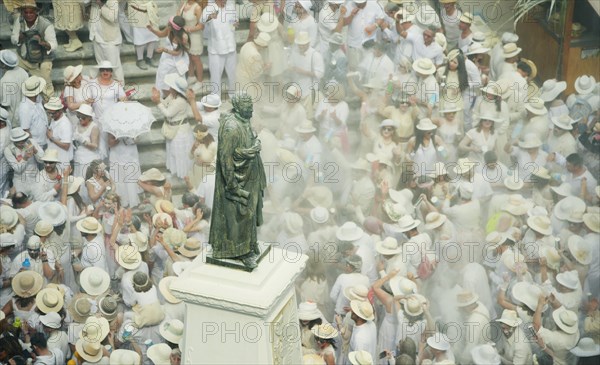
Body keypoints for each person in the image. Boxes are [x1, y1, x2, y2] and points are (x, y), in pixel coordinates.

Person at [209, 93, 266, 269]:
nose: (251, 109)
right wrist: (232, 185)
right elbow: (225, 159)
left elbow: (250, 136)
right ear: (238, 107)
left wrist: (255, 145)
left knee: (249, 212)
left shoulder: (244, 119)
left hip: (250, 174)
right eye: (247, 107)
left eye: (251, 106)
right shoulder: (231, 127)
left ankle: (249, 244)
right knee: (237, 217)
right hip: (236, 181)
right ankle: (239, 252)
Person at [11, 0, 57, 99]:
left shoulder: (46, 24)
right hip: (24, 56)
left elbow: (54, 45)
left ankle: (50, 103)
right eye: (26, 12)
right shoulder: (19, 21)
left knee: (45, 82)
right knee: (12, 70)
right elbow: (13, 39)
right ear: (23, 12)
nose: (28, 15)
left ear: (36, 12)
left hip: (43, 58)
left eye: (31, 12)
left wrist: (43, 43)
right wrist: (19, 38)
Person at [201, 0, 238, 96]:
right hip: (216, 49)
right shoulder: (210, 8)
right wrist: (210, 17)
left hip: (230, 46)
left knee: (233, 73)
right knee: (215, 76)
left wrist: (235, 23)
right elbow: (202, 20)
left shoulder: (230, 7)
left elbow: (234, 20)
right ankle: (215, 98)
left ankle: (233, 94)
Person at [147, 15, 190, 98]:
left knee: (174, 80)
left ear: (173, 27)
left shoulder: (183, 37)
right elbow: (161, 34)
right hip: (167, 58)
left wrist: (164, 49)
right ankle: (163, 96)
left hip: (177, 60)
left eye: (169, 24)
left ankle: (174, 97)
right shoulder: (169, 29)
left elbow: (177, 53)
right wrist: (152, 30)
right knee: (162, 76)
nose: (167, 24)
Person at [89, 0, 124, 84]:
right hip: (96, 37)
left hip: (110, 39)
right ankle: (105, 88)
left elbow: (112, 17)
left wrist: (100, 4)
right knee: (101, 65)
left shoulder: (113, 1)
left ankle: (120, 89)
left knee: (114, 67)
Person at [128, 0, 161, 70]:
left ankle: (149, 57)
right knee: (140, 38)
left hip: (151, 13)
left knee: (153, 37)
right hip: (137, 13)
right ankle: (140, 59)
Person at [19, 75, 48, 149]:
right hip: (36, 145)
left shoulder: (38, 97)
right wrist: (35, 148)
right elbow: (25, 130)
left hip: (45, 140)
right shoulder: (25, 108)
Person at [0, 50, 28, 126]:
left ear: (4, 65)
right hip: (24, 115)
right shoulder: (23, 71)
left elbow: (5, 105)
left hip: (12, 120)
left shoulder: (4, 80)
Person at [179, 0, 204, 83]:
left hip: (195, 36)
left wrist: (189, 29)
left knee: (195, 58)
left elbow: (201, 26)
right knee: (189, 57)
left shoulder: (197, 7)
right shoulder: (183, 4)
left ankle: (200, 81)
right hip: (185, 36)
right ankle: (191, 76)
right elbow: (178, 17)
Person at [44, 97, 72, 170]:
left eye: (52, 113)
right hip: (53, 159)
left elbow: (66, 146)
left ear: (60, 111)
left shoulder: (65, 124)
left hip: (61, 161)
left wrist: (51, 138)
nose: (50, 115)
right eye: (49, 113)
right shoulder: (54, 119)